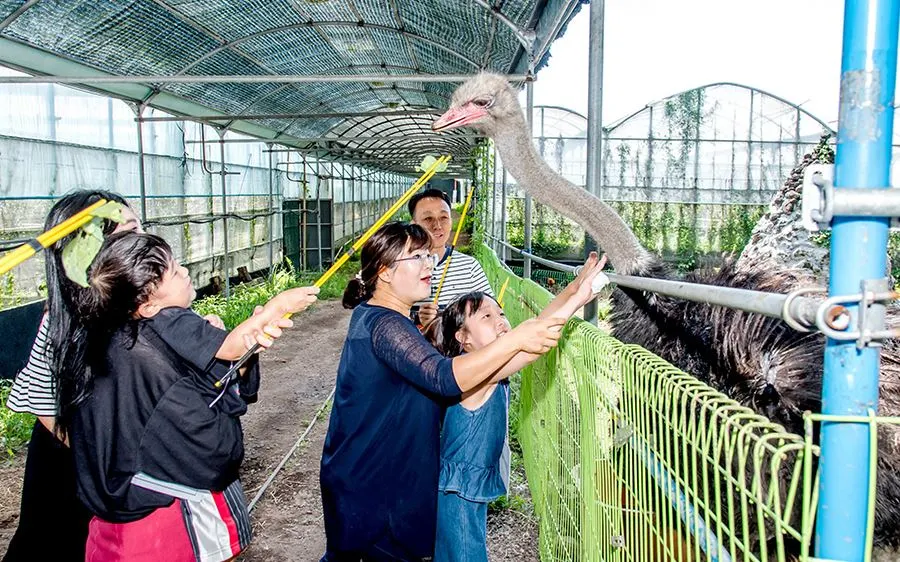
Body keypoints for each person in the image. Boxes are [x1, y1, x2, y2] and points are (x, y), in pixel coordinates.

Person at [59, 230, 319, 562]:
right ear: (149, 302)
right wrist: (275, 308)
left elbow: (218, 370)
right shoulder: (168, 318)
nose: (184, 271)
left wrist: (238, 341)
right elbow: (231, 348)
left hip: (115, 519)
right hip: (170, 511)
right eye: (174, 269)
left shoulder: (103, 337)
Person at [319, 222, 565, 561]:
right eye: (416, 257)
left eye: (428, 256)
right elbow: (442, 376)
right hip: (372, 487)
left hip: (378, 480)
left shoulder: (387, 319)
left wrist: (574, 295)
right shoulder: (385, 324)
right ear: (385, 272)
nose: (428, 264)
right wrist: (515, 338)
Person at [425, 252, 607, 562]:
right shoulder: (475, 370)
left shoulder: (485, 365)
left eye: (500, 313)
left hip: (463, 488)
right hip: (458, 494)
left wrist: (577, 287)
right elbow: (538, 339)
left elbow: (536, 325)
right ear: (463, 338)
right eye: (486, 317)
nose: (501, 321)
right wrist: (576, 298)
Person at [3, 189, 143, 562]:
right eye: (127, 232)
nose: (143, 242)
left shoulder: (146, 310)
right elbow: (48, 414)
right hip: (74, 467)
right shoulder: (63, 323)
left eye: (140, 227)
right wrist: (103, 458)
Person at [408, 188, 492, 326]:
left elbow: (490, 315)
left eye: (444, 217)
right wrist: (419, 321)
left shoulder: (469, 267)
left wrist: (443, 321)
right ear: (413, 225)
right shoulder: (402, 266)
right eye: (428, 218)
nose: (437, 225)